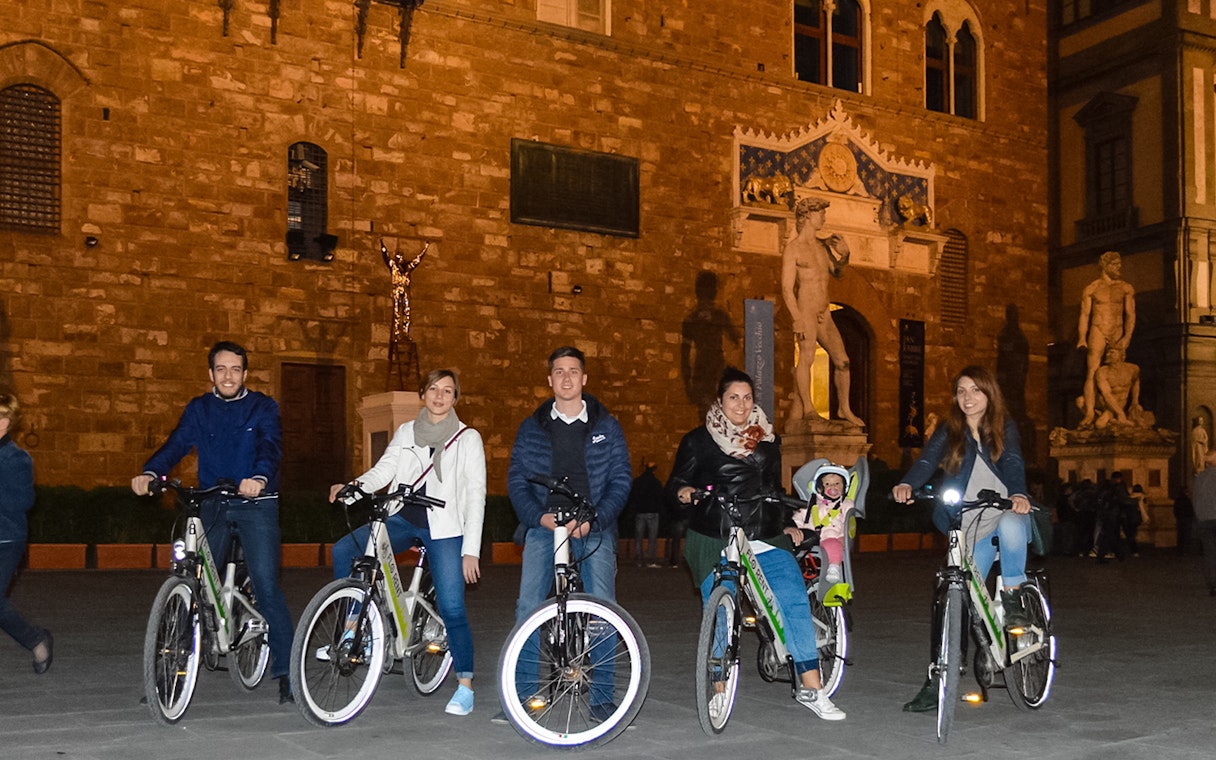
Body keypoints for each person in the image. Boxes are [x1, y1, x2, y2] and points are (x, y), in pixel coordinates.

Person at [667, 367, 846, 720]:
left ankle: (812, 687)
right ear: (720, 401)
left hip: (762, 532)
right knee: (720, 610)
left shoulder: (767, 440)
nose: (741, 404)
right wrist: (684, 492)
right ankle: (718, 689)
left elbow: (773, 490)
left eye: (748, 397)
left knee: (793, 596)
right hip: (714, 534)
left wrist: (788, 524)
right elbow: (676, 483)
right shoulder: (698, 440)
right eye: (734, 397)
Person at [131, 341, 295, 704]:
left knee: (267, 586)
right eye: (221, 369)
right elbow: (177, 443)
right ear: (210, 375)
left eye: (235, 369)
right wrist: (151, 471)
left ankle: (287, 672)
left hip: (256, 502)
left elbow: (271, 446)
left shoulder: (263, 407)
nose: (228, 376)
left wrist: (259, 477)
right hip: (213, 503)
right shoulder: (199, 409)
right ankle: (167, 673)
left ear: (245, 374)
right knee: (196, 584)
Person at [328, 368, 485, 716]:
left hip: (444, 528)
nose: (439, 396)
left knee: (452, 607)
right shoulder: (406, 432)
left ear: (455, 398)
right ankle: (356, 629)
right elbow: (384, 471)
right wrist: (352, 489)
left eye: (447, 391)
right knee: (345, 550)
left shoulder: (467, 438)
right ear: (423, 394)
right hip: (402, 516)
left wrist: (470, 550)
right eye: (433, 389)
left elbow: (476, 495)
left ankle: (465, 685)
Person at [498, 346, 632, 723]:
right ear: (550, 379)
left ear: (584, 378)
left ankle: (604, 696)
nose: (567, 378)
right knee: (528, 607)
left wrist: (596, 518)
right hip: (546, 525)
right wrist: (537, 517)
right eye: (559, 371)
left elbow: (621, 480)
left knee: (604, 606)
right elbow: (517, 480)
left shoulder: (607, 424)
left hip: (592, 524)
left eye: (574, 371)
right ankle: (523, 695)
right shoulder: (532, 426)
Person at [892, 365, 1032, 713]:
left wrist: (1018, 493)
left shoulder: (1004, 427)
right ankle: (937, 677)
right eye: (961, 391)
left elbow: (1012, 460)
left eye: (975, 390)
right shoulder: (949, 429)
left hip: (1002, 509)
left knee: (1013, 524)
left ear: (989, 394)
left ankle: (1013, 600)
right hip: (967, 520)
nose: (968, 398)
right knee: (957, 600)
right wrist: (907, 482)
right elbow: (927, 460)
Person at [780, 197, 864, 426]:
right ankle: (808, 408)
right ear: (807, 216)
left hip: (824, 312)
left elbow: (836, 273)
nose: (824, 217)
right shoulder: (794, 249)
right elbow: (787, 288)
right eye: (821, 213)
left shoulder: (821, 247)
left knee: (843, 360)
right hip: (806, 308)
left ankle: (844, 408)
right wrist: (796, 317)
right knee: (806, 358)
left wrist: (844, 256)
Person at [0, 393, 52, 674]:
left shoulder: (17, 458)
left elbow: (23, 502)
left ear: (9, 423)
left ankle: (36, 640)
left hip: (6, 539)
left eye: (2, 417)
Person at [1076, 251, 1136, 428]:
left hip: (1117, 329)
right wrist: (1081, 337)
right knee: (1092, 371)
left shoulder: (1125, 288)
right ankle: (1089, 412)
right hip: (1098, 329)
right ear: (1105, 266)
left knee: (1117, 370)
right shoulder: (1092, 289)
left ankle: (1116, 412)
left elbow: (1131, 315)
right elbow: (1085, 315)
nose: (1119, 268)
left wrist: (1127, 336)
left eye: (1119, 264)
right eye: (1115, 264)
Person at [790, 463, 853, 586]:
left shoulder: (845, 505)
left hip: (831, 536)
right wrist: (794, 528)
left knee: (833, 545)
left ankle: (834, 567)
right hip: (809, 535)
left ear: (844, 487)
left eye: (837, 483)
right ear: (819, 487)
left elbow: (848, 523)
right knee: (791, 545)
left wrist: (843, 536)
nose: (833, 487)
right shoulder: (812, 504)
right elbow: (800, 517)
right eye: (827, 484)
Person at [627, 461, 664, 567]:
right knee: (652, 537)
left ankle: (639, 559)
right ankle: (651, 559)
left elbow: (633, 497)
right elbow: (660, 497)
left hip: (640, 511)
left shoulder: (638, 482)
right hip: (653, 512)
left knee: (639, 537)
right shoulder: (656, 482)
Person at [1192, 448, 1216, 595]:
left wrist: (1200, 516)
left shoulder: (1199, 478)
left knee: (1210, 553)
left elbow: (1195, 499)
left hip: (1204, 519)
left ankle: (1214, 584)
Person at [1174, 488, 1195, 555]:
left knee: (1180, 535)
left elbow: (1175, 510)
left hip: (1180, 519)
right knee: (1186, 535)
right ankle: (1185, 550)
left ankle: (1180, 550)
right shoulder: (1187, 500)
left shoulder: (1178, 500)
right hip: (1187, 519)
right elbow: (1190, 509)